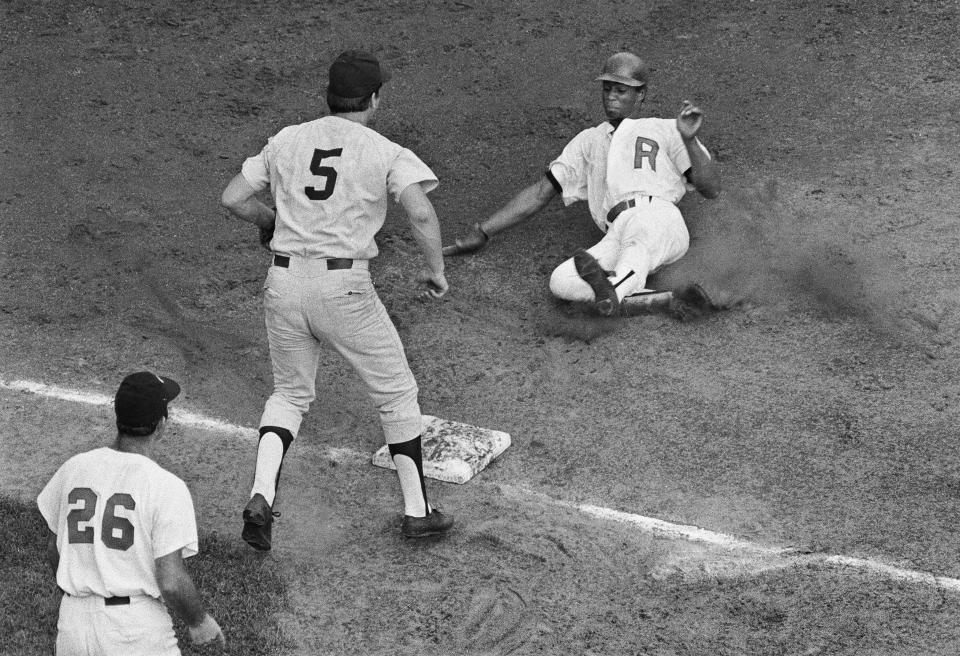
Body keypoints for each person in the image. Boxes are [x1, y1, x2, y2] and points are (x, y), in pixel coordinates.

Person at [220, 49, 454, 550]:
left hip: (282, 284)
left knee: (289, 395)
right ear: (373, 98)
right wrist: (435, 270)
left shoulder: (288, 139)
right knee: (395, 392)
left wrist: (272, 223)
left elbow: (233, 197)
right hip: (344, 288)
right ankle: (418, 511)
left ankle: (262, 493)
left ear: (329, 96)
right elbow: (421, 215)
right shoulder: (384, 150)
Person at [443, 51, 722, 317]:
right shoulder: (588, 140)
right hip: (617, 232)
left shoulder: (666, 129)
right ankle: (662, 300)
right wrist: (483, 231)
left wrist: (689, 140)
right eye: (607, 89)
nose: (611, 97)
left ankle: (614, 292)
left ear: (641, 95)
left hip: (658, 219)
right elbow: (541, 193)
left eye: (621, 90)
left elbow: (711, 189)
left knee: (638, 239)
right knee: (562, 281)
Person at [37, 372, 225, 655]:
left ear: (118, 417)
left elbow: (54, 549)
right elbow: (171, 581)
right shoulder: (166, 486)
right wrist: (200, 622)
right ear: (160, 425)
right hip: (132, 631)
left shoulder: (73, 468)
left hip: (73, 629)